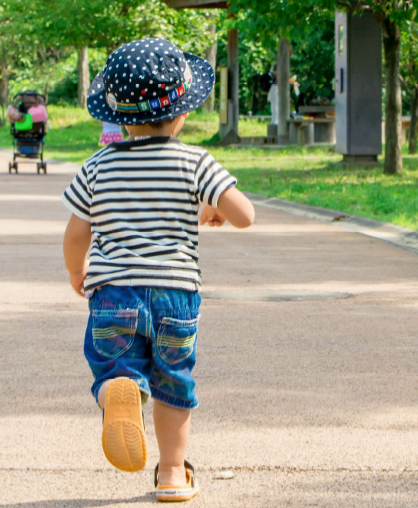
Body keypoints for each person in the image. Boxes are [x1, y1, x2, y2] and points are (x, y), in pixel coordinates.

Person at [62, 38, 254, 503]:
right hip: (175, 295)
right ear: (182, 110)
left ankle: (118, 392)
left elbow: (75, 233)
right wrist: (216, 208)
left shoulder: (98, 166)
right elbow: (245, 213)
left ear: (119, 115)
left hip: (113, 293)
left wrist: (77, 272)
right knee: (174, 382)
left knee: (115, 366)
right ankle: (171, 473)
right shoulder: (194, 162)